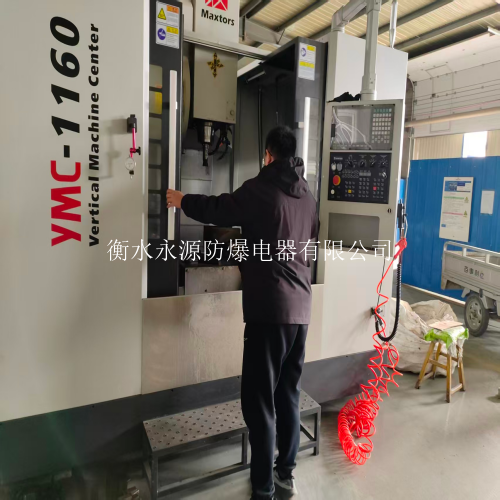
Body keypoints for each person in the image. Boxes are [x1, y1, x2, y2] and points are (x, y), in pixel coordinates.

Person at [167, 126, 318, 500]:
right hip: (301, 311)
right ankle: (286, 475)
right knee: (288, 394)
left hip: (269, 313)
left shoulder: (261, 188)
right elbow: (306, 239)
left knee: (259, 401)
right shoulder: (307, 195)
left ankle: (263, 487)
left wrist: (182, 200)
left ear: (267, 154)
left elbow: (219, 208)